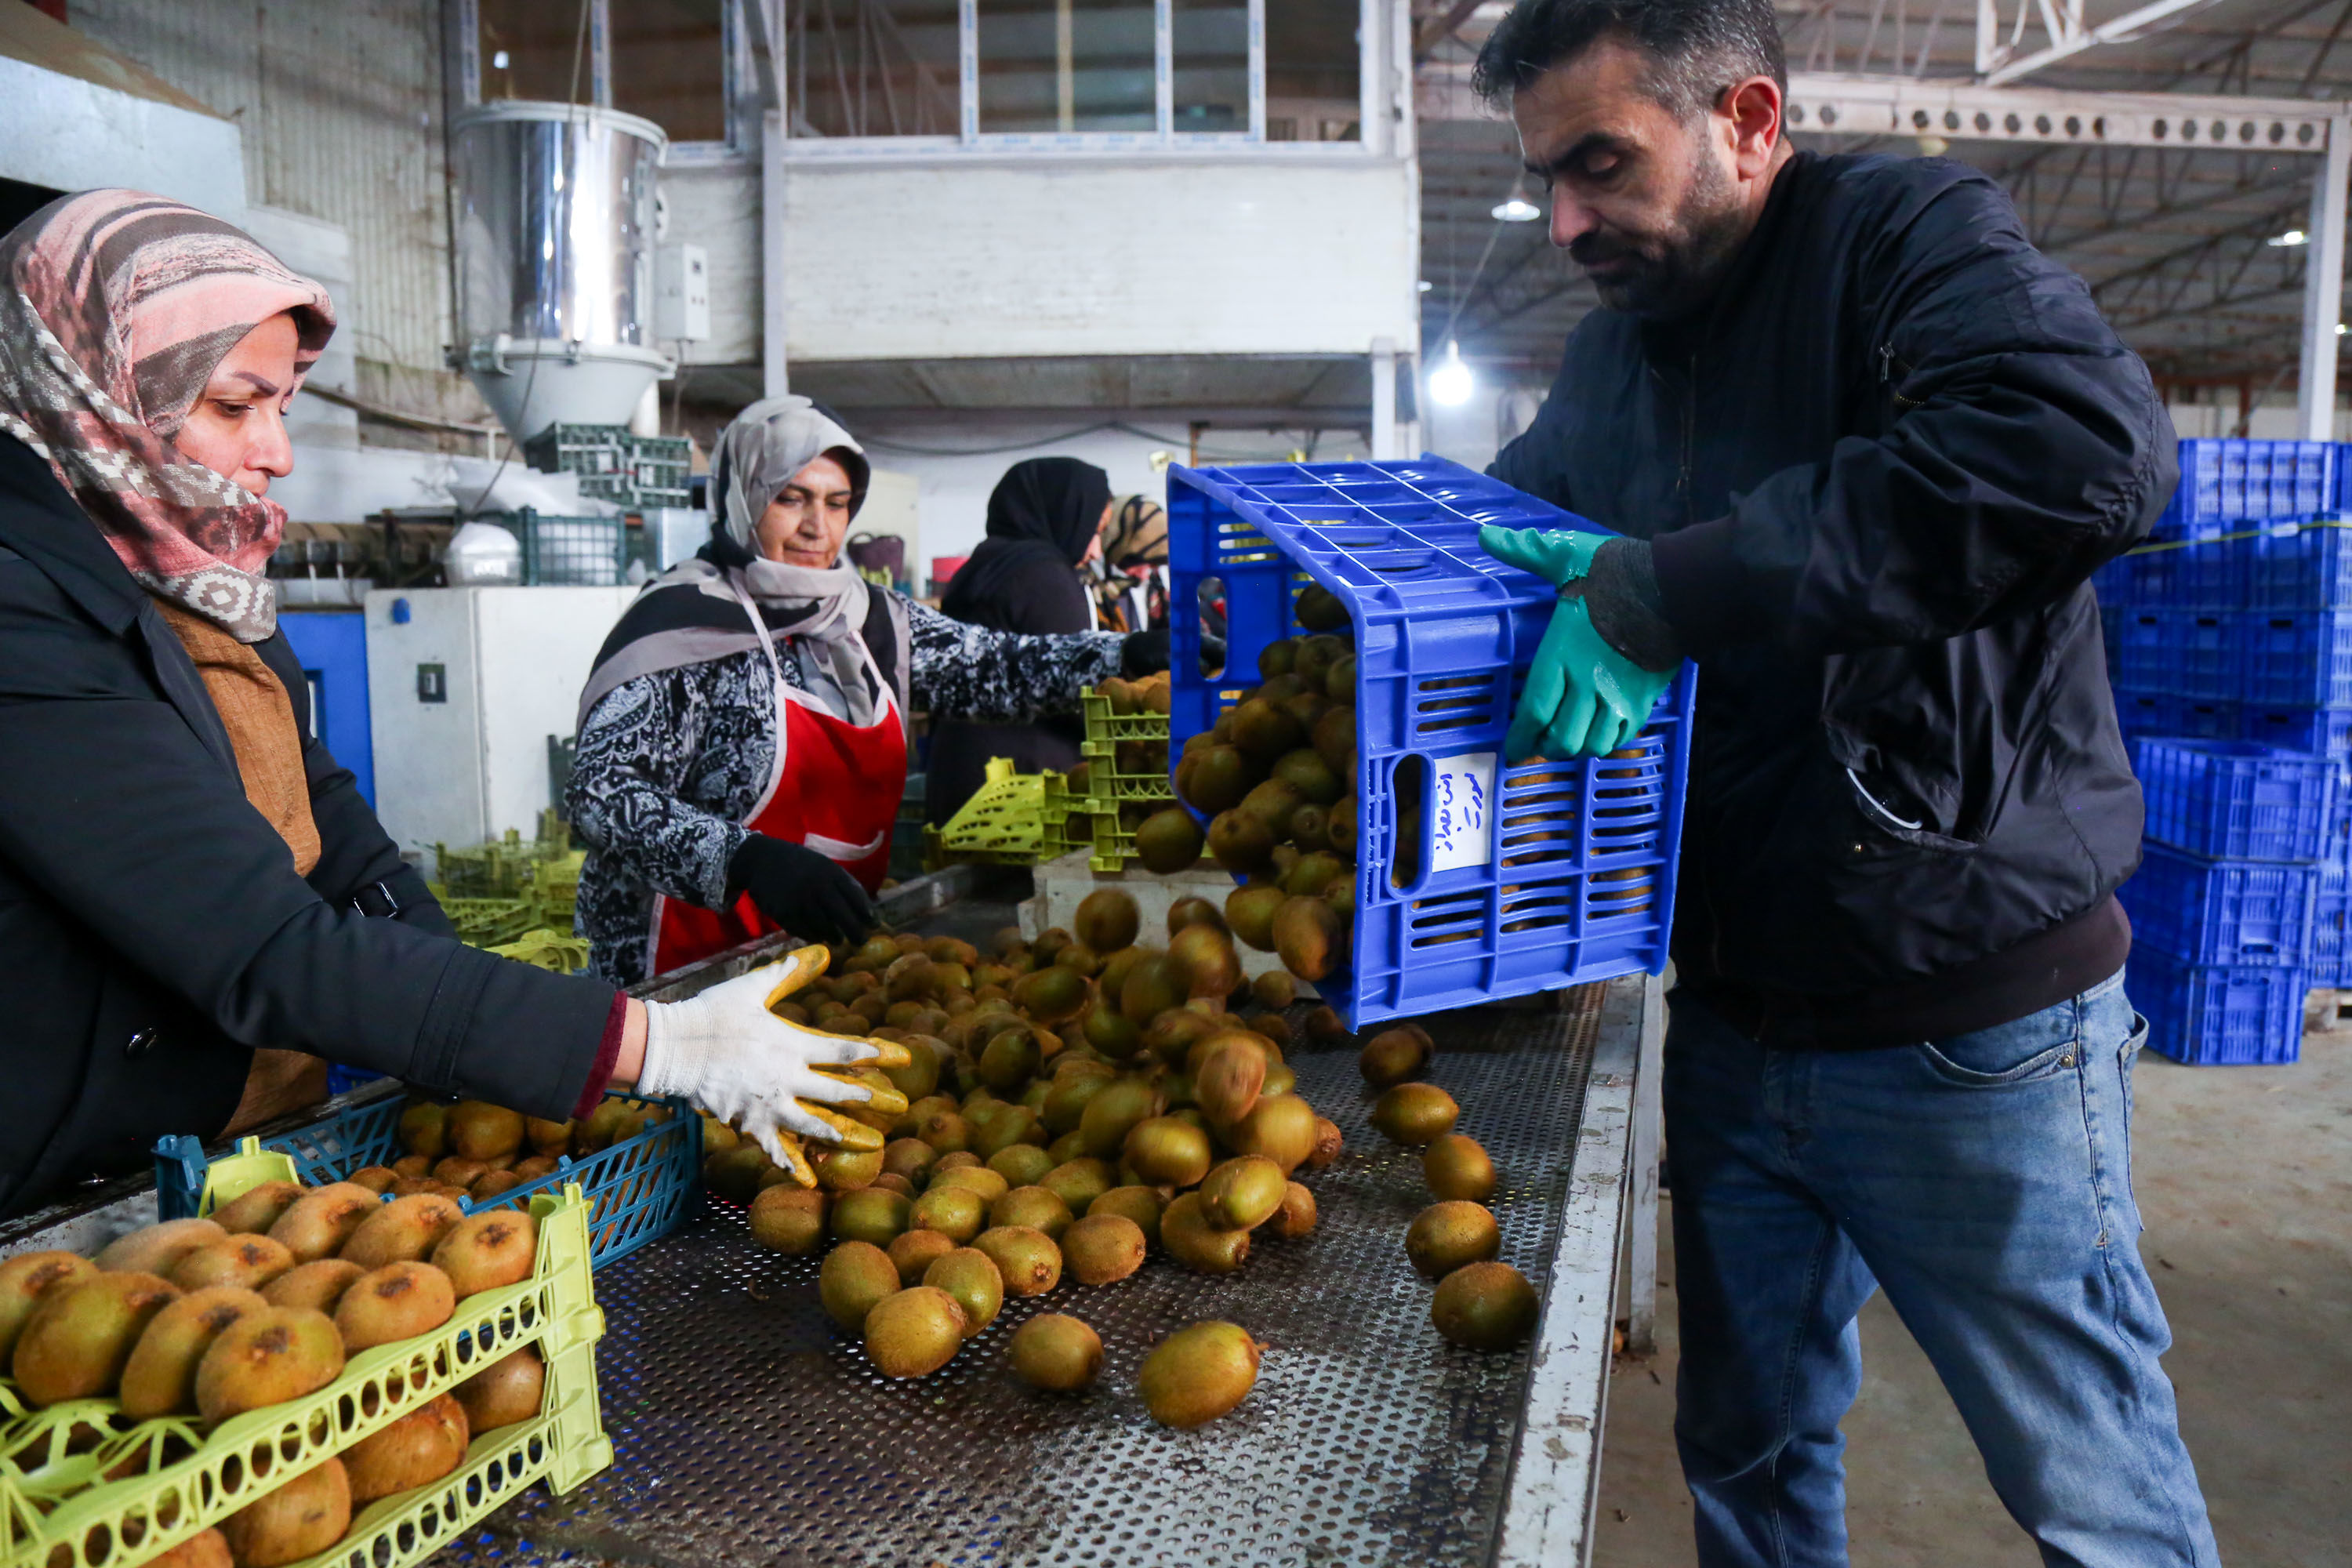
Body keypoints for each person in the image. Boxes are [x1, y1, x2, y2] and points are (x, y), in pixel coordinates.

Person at [1469, 4, 2216, 1566]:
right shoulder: (1623, 352)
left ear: (1744, 119)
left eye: (1601, 165)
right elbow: (1505, 527)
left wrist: (1667, 586)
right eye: (1547, 178)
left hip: (1971, 1027)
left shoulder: (1902, 238)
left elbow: (2081, 448)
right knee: (1745, 1458)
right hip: (1739, 1020)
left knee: (2095, 1498)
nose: (1566, 222)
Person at [0, 190, 886, 1214]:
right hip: (69, 1188)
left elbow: (328, 822)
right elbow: (259, 942)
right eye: (234, 405)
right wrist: (658, 1044)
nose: (278, 452)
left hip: (226, 1134)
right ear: (95, 389)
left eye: (283, 405)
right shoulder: (23, 607)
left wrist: (453, 1014)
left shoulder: (196, 578)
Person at [568, 410, 1167, 987]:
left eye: (836, 503)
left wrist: (1120, 656)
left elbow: (993, 665)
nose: (817, 526)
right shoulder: (682, 623)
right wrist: (742, 859)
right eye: (790, 497)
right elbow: (602, 792)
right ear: (742, 496)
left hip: (814, 969)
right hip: (674, 981)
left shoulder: (867, 619)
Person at [924, 456, 1137, 826]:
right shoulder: (1045, 577)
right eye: (1095, 530)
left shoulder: (987, 564)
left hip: (964, 779)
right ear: (1064, 513)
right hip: (1019, 789)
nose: (1096, 551)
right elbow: (1078, 691)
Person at [1091, 492, 1170, 633]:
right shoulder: (1087, 588)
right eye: (1137, 561)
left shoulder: (1155, 587)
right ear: (1115, 544)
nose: (1145, 575)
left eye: (1152, 565)